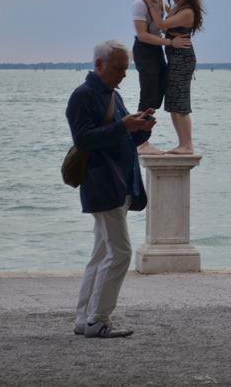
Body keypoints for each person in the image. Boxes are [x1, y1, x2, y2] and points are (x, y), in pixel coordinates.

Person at [66, 40, 155, 338]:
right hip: (102, 183)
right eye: (119, 68)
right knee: (120, 253)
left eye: (125, 69)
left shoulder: (112, 97)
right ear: (99, 65)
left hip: (118, 183)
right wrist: (124, 127)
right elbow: (84, 140)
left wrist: (142, 125)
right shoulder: (83, 96)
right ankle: (98, 319)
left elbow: (124, 138)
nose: (123, 75)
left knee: (102, 252)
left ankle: (85, 318)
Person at [131, 0, 190, 154]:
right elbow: (142, 35)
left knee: (158, 92)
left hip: (157, 49)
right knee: (148, 93)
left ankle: (144, 138)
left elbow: (165, 19)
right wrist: (170, 41)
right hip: (144, 49)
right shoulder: (140, 3)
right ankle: (140, 142)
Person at [146, 0, 202, 154]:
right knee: (172, 103)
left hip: (183, 58)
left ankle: (187, 144)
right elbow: (169, 13)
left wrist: (149, 3)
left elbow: (162, 24)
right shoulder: (179, 7)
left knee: (181, 103)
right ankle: (182, 143)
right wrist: (162, 2)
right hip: (174, 57)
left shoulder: (187, 11)